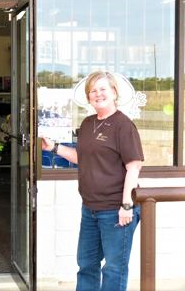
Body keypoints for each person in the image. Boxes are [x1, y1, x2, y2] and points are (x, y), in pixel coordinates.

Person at [41, 70, 143, 291]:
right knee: (86, 265)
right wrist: (55, 148)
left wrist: (126, 204)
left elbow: (133, 166)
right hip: (90, 209)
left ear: (114, 92)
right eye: (93, 91)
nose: (98, 94)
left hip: (116, 211)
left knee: (114, 269)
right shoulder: (87, 124)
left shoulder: (123, 125)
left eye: (103, 89)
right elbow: (82, 158)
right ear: (88, 97)